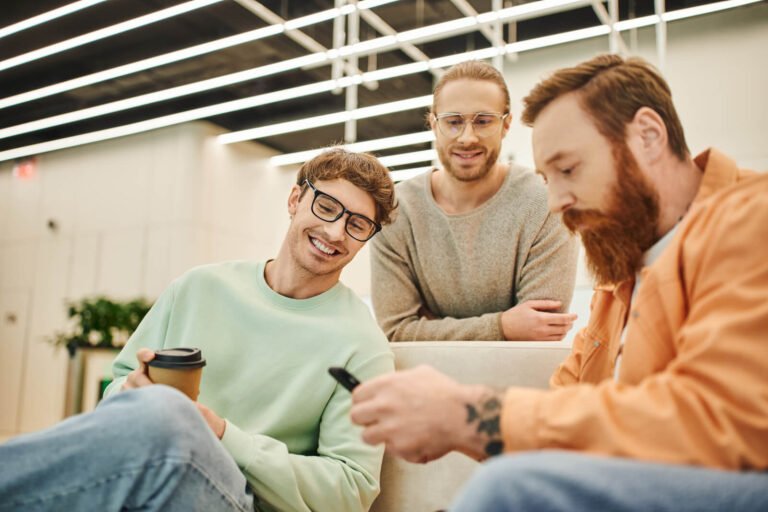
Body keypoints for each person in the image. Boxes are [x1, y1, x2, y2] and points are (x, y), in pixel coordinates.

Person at [350, 54, 768, 511]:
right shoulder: (621, 280)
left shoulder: (751, 218)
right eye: (548, 179)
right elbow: (569, 401)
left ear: (648, 135)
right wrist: (453, 425)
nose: (554, 203)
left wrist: (470, 416)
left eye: (568, 170)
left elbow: (722, 421)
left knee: (512, 488)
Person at [0, 148, 398, 512]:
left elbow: (351, 490)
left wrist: (219, 434)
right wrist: (133, 391)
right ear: (295, 200)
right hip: (158, 475)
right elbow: (116, 395)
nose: (335, 233)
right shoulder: (199, 287)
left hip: (244, 502)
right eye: (327, 207)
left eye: (357, 224)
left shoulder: (362, 345)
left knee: (170, 416)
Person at [370, 60, 579, 342]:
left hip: (520, 383)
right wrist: (502, 326)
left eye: (483, 121)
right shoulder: (397, 211)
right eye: (453, 122)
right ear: (433, 124)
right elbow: (396, 332)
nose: (467, 138)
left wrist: (431, 327)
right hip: (423, 383)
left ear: (506, 125)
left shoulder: (545, 204)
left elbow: (540, 331)